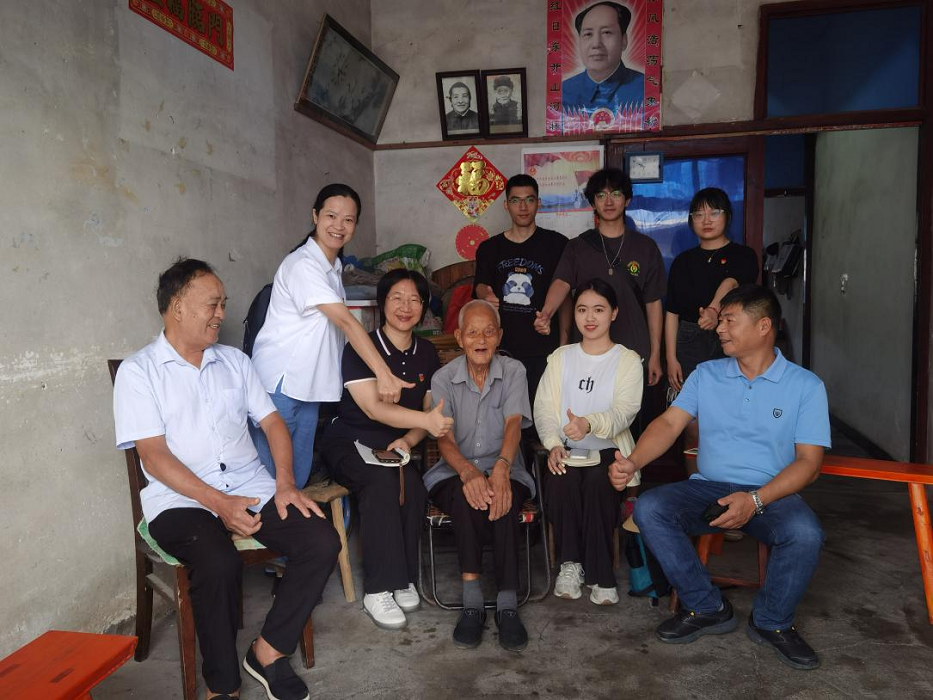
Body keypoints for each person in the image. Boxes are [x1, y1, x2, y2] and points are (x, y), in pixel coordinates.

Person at [113, 258, 340, 700]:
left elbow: (272, 422)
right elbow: (154, 457)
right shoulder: (139, 372)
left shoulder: (235, 361)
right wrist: (218, 504)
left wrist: (285, 483)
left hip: (251, 487)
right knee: (218, 562)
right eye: (213, 304)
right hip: (179, 500)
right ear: (177, 307)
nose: (221, 314)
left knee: (321, 539)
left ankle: (268, 652)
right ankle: (222, 686)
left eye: (223, 304)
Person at [610, 284, 830, 671]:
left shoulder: (805, 386)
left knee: (806, 533)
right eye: (721, 320)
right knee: (651, 508)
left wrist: (756, 500)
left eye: (729, 320)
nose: (720, 328)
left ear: (764, 326)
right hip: (709, 490)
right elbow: (669, 424)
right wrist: (633, 461)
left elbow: (809, 464)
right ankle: (706, 606)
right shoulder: (707, 374)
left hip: (771, 494)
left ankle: (772, 622)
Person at [249, 184, 412, 489]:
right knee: (271, 483)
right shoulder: (303, 265)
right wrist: (383, 373)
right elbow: (347, 323)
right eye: (331, 216)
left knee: (296, 480)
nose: (339, 226)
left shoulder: (333, 267)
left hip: (309, 388)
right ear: (315, 216)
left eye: (348, 220)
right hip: (281, 385)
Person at [321, 269, 453, 630]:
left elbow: (430, 410)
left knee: (414, 487)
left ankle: (403, 578)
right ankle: (377, 589)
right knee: (380, 484)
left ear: (424, 307)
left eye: (414, 299)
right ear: (382, 303)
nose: (405, 307)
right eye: (397, 298)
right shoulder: (361, 346)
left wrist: (410, 439)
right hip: (350, 440)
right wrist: (425, 422)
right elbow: (373, 409)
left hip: (394, 445)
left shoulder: (427, 352)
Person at [423, 300, 535, 652]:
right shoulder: (443, 378)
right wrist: (469, 472)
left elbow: (514, 423)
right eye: (472, 332)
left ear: (499, 335)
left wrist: (501, 467)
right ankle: (472, 602)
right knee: (466, 497)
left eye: (489, 331)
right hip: (454, 469)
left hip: (506, 464)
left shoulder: (514, 371)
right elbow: (444, 438)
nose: (481, 339)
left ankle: (507, 604)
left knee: (502, 496)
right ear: (459, 338)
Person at [533, 279, 643, 604]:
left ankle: (600, 572)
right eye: (582, 310)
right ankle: (570, 565)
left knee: (598, 480)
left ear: (614, 313)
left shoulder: (627, 360)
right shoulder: (561, 357)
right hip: (566, 451)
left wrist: (589, 423)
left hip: (610, 452)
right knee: (562, 480)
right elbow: (544, 408)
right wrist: (553, 443)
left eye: (599, 309)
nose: (589, 318)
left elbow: (625, 411)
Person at [665, 187, 759, 451]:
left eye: (714, 212)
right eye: (698, 214)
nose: (706, 220)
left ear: (727, 216)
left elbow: (732, 282)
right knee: (691, 422)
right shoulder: (682, 262)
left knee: (729, 416)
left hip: (731, 341)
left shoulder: (744, 255)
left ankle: (727, 473)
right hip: (688, 342)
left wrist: (714, 311)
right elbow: (671, 312)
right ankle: (695, 475)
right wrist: (671, 358)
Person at [473, 173, 569, 410]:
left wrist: (564, 346)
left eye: (529, 200)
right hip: (502, 350)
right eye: (516, 200)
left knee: (543, 414)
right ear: (506, 205)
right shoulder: (489, 248)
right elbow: (480, 285)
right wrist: (486, 295)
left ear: (539, 203)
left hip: (544, 349)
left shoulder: (557, 244)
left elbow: (566, 296)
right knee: (504, 414)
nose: (523, 207)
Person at [561, 2, 645, 113]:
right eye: (588, 34)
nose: (596, 44)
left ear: (624, 41)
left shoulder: (645, 88)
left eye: (606, 32)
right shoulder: (563, 92)